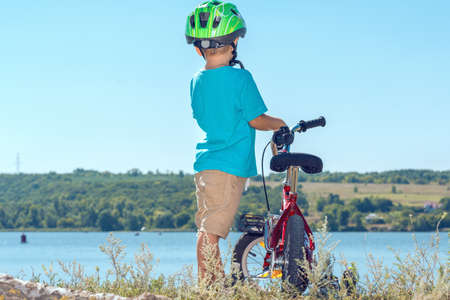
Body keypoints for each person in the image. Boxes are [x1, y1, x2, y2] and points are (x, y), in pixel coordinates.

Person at [185, 1, 288, 281]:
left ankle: (214, 284)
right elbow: (256, 119)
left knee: (208, 227)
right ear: (234, 45)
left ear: (198, 49)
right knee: (211, 231)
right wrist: (279, 124)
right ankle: (210, 289)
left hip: (206, 164)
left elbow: (201, 116)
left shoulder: (196, 81)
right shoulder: (241, 78)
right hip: (228, 166)